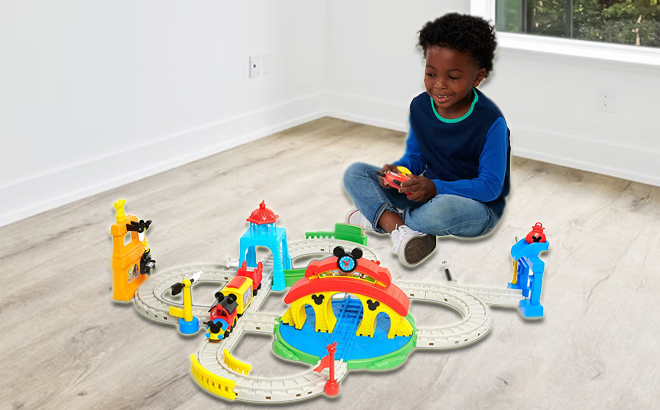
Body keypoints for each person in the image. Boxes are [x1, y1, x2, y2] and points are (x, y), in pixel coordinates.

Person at [344, 13, 511, 267]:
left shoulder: (491, 122)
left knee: (438, 210)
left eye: (453, 77)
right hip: (427, 192)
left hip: (475, 207)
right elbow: (416, 156)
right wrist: (397, 173)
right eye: (431, 74)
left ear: (477, 77)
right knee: (356, 173)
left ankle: (383, 217)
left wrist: (436, 187)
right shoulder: (420, 106)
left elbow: (490, 187)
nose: (439, 85)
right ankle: (400, 228)